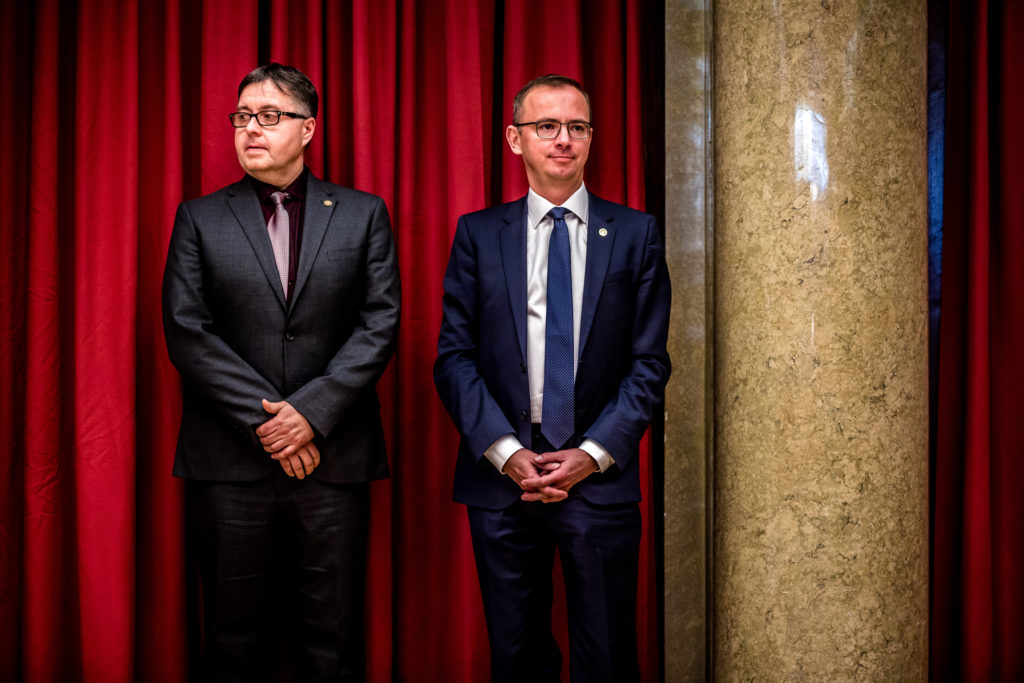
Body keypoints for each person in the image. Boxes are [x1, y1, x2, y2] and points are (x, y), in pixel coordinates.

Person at [162, 63, 400, 682]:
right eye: (242, 116)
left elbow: (379, 323)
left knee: (332, 643)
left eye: (269, 116)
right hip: (229, 465)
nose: (251, 128)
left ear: (308, 128)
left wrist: (311, 415)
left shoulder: (363, 213)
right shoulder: (199, 217)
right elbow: (188, 331)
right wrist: (272, 423)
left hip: (334, 461)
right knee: (232, 643)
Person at [433, 74, 671, 682]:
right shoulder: (478, 234)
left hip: (599, 473)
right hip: (502, 477)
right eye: (547, 126)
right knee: (517, 659)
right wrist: (506, 452)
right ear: (515, 139)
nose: (563, 139)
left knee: (609, 659)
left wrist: (592, 454)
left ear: (590, 138)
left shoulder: (636, 233)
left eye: (577, 127)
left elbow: (649, 362)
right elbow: (454, 357)